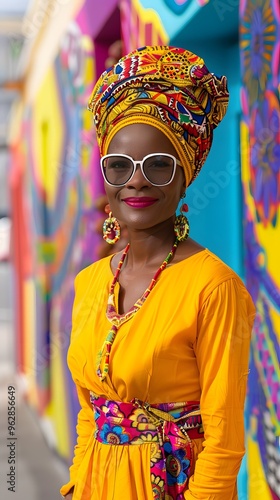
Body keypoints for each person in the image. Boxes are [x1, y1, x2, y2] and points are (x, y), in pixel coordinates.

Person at [60, 46, 255, 500]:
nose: (137, 180)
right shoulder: (89, 282)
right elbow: (91, 410)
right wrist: (74, 484)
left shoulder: (214, 287)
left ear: (184, 177)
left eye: (158, 166)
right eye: (120, 165)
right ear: (105, 176)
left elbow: (224, 443)